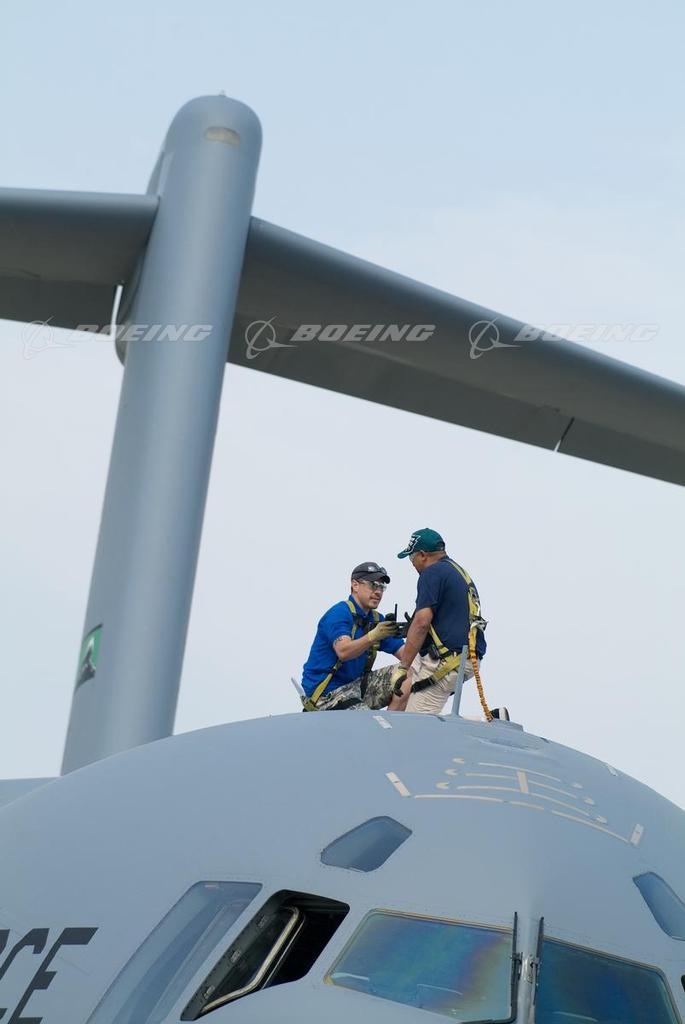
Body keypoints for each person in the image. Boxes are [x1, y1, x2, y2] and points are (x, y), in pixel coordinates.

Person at [391, 528, 489, 716]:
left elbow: (422, 622)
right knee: (417, 700)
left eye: (412, 558)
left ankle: (485, 723)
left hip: (446, 660)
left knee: (415, 723)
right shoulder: (456, 571)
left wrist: (402, 667)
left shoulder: (431, 573)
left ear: (423, 555)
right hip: (466, 657)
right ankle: (481, 722)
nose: (412, 564)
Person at [301, 562, 410, 711]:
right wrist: (373, 636)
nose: (378, 592)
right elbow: (343, 651)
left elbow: (406, 655)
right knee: (366, 722)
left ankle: (391, 723)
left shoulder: (377, 619)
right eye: (373, 585)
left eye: (382, 587)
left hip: (357, 687)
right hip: (327, 694)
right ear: (355, 585)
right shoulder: (339, 613)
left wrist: (421, 640)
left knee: (408, 673)